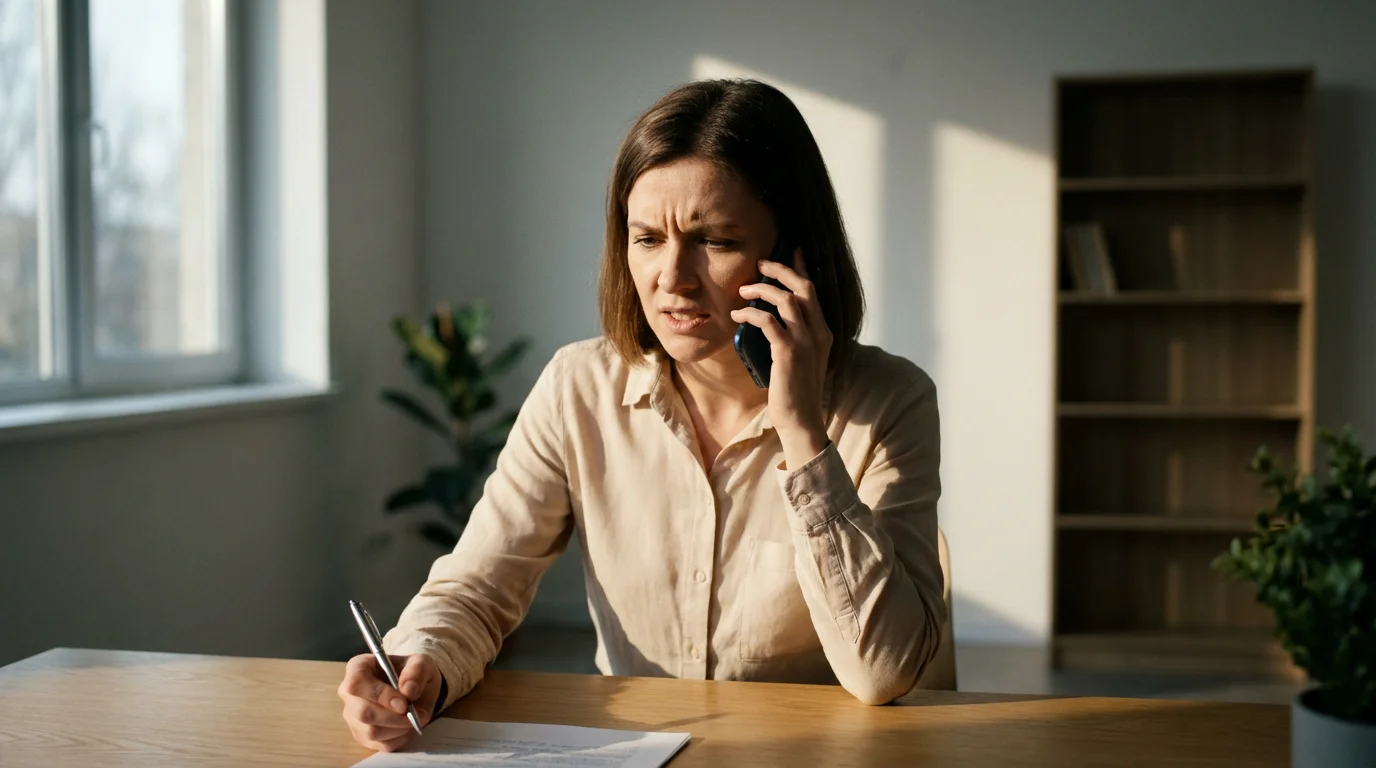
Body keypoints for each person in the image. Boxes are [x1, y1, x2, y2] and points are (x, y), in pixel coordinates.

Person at [338, 78, 946, 752]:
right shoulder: (580, 386)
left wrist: (803, 435)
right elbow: (478, 585)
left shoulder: (891, 401)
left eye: (714, 240)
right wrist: (420, 663)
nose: (672, 277)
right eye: (647, 238)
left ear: (792, 255)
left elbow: (883, 672)